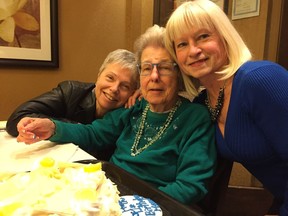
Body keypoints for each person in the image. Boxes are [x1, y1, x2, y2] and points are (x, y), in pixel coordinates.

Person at [16, 25, 217, 205]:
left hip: (150, 205)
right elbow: (94, 134)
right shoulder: (135, 108)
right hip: (107, 192)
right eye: (147, 68)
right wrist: (53, 127)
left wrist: (134, 205)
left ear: (179, 74)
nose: (154, 76)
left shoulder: (195, 118)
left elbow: (190, 187)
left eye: (164, 68)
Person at [164, 0, 288, 215]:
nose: (193, 50)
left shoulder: (260, 80)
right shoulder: (204, 103)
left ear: (224, 37)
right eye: (182, 44)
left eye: (203, 36)